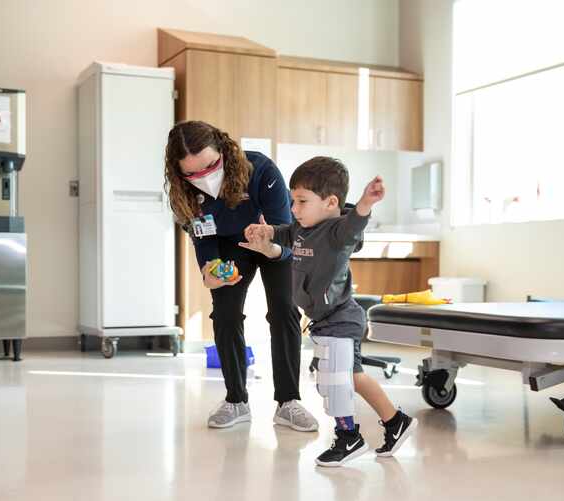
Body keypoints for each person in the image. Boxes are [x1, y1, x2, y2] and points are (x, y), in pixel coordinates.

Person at [241, 156, 417, 467]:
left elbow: (355, 223)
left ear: (330, 202)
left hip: (341, 317)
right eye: (292, 200)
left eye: (301, 201)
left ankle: (349, 437)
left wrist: (365, 202)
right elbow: (281, 235)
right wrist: (263, 233)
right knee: (353, 376)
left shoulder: (338, 232)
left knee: (335, 382)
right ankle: (396, 421)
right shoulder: (300, 228)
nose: (294, 209)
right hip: (325, 319)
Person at [164, 120, 317, 431]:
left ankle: (288, 402)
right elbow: (202, 236)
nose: (204, 178)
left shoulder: (260, 171)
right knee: (225, 314)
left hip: (271, 238)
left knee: (285, 309)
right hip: (226, 244)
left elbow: (285, 238)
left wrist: (270, 248)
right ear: (179, 172)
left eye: (209, 166)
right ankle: (236, 400)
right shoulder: (184, 193)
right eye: (192, 173)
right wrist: (208, 271)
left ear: (222, 151)